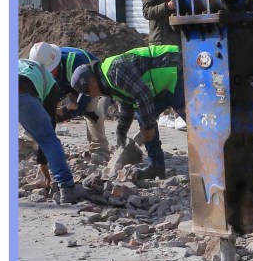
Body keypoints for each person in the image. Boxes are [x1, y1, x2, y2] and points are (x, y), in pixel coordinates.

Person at [71, 45, 186, 180]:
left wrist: (149, 127)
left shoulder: (114, 71)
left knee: (195, 120)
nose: (90, 95)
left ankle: (212, 161)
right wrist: (121, 134)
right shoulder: (108, 83)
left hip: (176, 69)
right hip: (164, 84)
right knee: (144, 117)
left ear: (92, 82)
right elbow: (128, 103)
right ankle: (157, 168)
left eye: (87, 92)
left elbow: (143, 96)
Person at [28, 41, 112, 159]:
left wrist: (62, 114)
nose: (47, 74)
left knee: (90, 111)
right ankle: (26, 142)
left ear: (56, 63)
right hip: (65, 80)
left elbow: (81, 106)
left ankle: (100, 150)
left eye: (50, 71)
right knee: (40, 108)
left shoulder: (77, 63)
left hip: (90, 82)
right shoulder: (46, 62)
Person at [18, 59, 80, 204]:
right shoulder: (50, 81)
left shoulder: (19, 63)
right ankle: (66, 188)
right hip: (21, 91)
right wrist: (44, 167)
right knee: (48, 139)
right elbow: (48, 131)